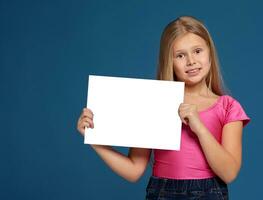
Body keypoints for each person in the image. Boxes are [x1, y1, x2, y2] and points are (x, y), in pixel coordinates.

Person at [77, 16, 250, 200]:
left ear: (209, 52)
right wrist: (94, 139)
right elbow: (134, 170)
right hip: (162, 192)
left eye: (197, 51)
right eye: (180, 55)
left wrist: (199, 128)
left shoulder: (228, 107)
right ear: (170, 60)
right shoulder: (155, 102)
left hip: (209, 193)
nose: (191, 61)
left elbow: (229, 173)